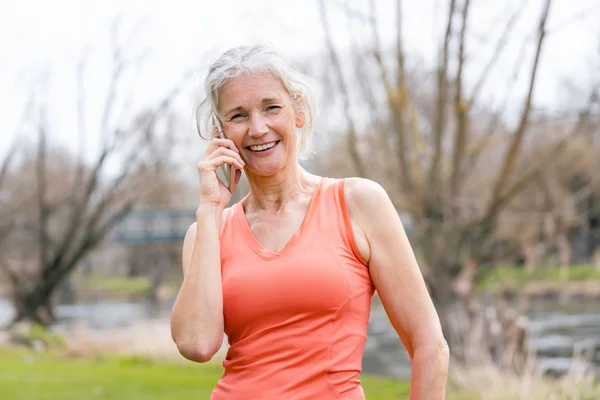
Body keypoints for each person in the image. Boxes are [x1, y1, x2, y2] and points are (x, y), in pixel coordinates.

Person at [170, 45, 449, 399]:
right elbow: (196, 343)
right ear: (220, 132)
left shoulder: (359, 204)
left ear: (297, 112)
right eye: (238, 116)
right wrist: (209, 208)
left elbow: (429, 346)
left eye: (271, 107)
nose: (258, 128)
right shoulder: (207, 231)